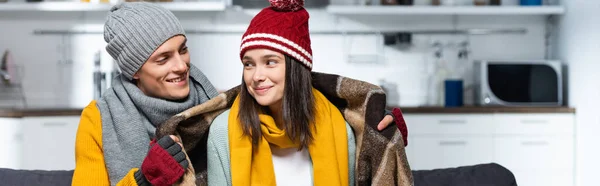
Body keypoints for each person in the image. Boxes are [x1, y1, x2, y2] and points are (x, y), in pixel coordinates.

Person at [71, 2, 403, 186]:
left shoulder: (210, 106)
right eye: (163, 58)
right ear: (134, 71)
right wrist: (144, 180)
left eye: (182, 50)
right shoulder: (99, 119)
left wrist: (377, 132)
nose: (181, 65)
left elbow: (293, 113)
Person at [206, 0, 410, 185]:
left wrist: (387, 135)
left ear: (296, 67)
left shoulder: (339, 128)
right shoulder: (223, 132)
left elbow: (379, 163)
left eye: (270, 62)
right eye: (248, 64)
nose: (256, 75)